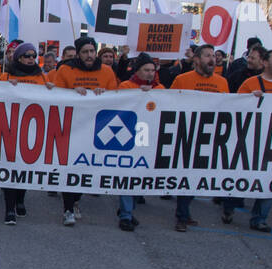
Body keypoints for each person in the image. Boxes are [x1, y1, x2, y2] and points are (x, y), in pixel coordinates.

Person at [50, 36, 117, 225]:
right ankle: (68, 208)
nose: (89, 55)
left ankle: (76, 200)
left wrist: (103, 94)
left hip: (96, 128)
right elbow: (55, 97)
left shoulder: (107, 71)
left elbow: (116, 97)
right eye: (85, 52)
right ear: (78, 54)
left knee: (85, 167)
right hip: (71, 127)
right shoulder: (65, 70)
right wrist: (71, 93)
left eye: (92, 51)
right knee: (70, 167)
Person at [231, 48, 272, 230]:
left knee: (270, 180)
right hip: (250, 141)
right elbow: (235, 107)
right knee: (241, 177)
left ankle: (259, 219)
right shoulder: (251, 83)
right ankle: (229, 207)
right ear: (265, 63)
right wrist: (249, 99)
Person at [168, 44, 230, 231]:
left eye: (213, 55)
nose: (212, 59)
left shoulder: (222, 82)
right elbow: (169, 104)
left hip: (210, 137)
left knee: (196, 177)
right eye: (207, 56)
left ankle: (184, 213)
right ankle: (182, 215)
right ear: (196, 60)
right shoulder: (181, 80)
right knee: (185, 175)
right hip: (186, 134)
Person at [0, 42, 53, 224]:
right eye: (27, 56)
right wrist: (5, 85)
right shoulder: (7, 75)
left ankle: (20, 199)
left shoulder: (42, 78)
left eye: (33, 56)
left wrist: (53, 90)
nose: (31, 59)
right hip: (10, 128)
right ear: (18, 58)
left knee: (25, 168)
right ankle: (9, 209)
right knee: (10, 169)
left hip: (33, 129)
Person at [114, 53, 161, 230]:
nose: (150, 74)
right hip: (129, 137)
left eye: (152, 70)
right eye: (146, 70)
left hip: (151, 138)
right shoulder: (126, 86)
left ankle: (128, 209)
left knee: (139, 176)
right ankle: (125, 215)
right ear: (138, 70)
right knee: (128, 175)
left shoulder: (161, 89)